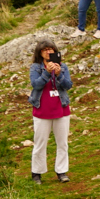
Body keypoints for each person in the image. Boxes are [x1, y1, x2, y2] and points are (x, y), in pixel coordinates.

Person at [27, 40, 70, 185]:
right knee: (40, 143)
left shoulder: (62, 67)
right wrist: (46, 73)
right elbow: (36, 85)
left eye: (51, 49)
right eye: (45, 49)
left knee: (62, 143)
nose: (48, 52)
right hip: (42, 109)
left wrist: (59, 75)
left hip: (61, 108)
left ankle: (61, 171)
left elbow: (68, 85)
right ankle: (37, 173)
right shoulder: (35, 68)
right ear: (40, 52)